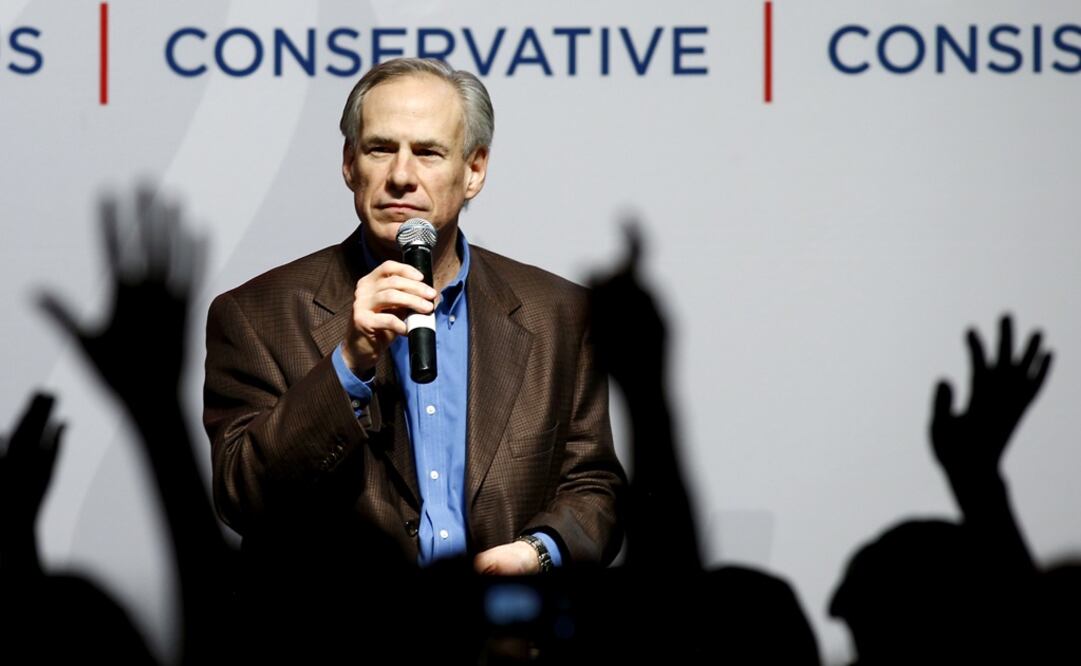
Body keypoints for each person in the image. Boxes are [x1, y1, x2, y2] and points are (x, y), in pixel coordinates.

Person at [203, 58, 624, 576]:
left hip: (501, 622)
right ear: (349, 164)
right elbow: (240, 496)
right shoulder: (254, 315)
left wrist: (537, 553)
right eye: (380, 149)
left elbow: (595, 487)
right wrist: (348, 363)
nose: (401, 176)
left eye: (427, 153)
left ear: (474, 170)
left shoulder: (558, 314)